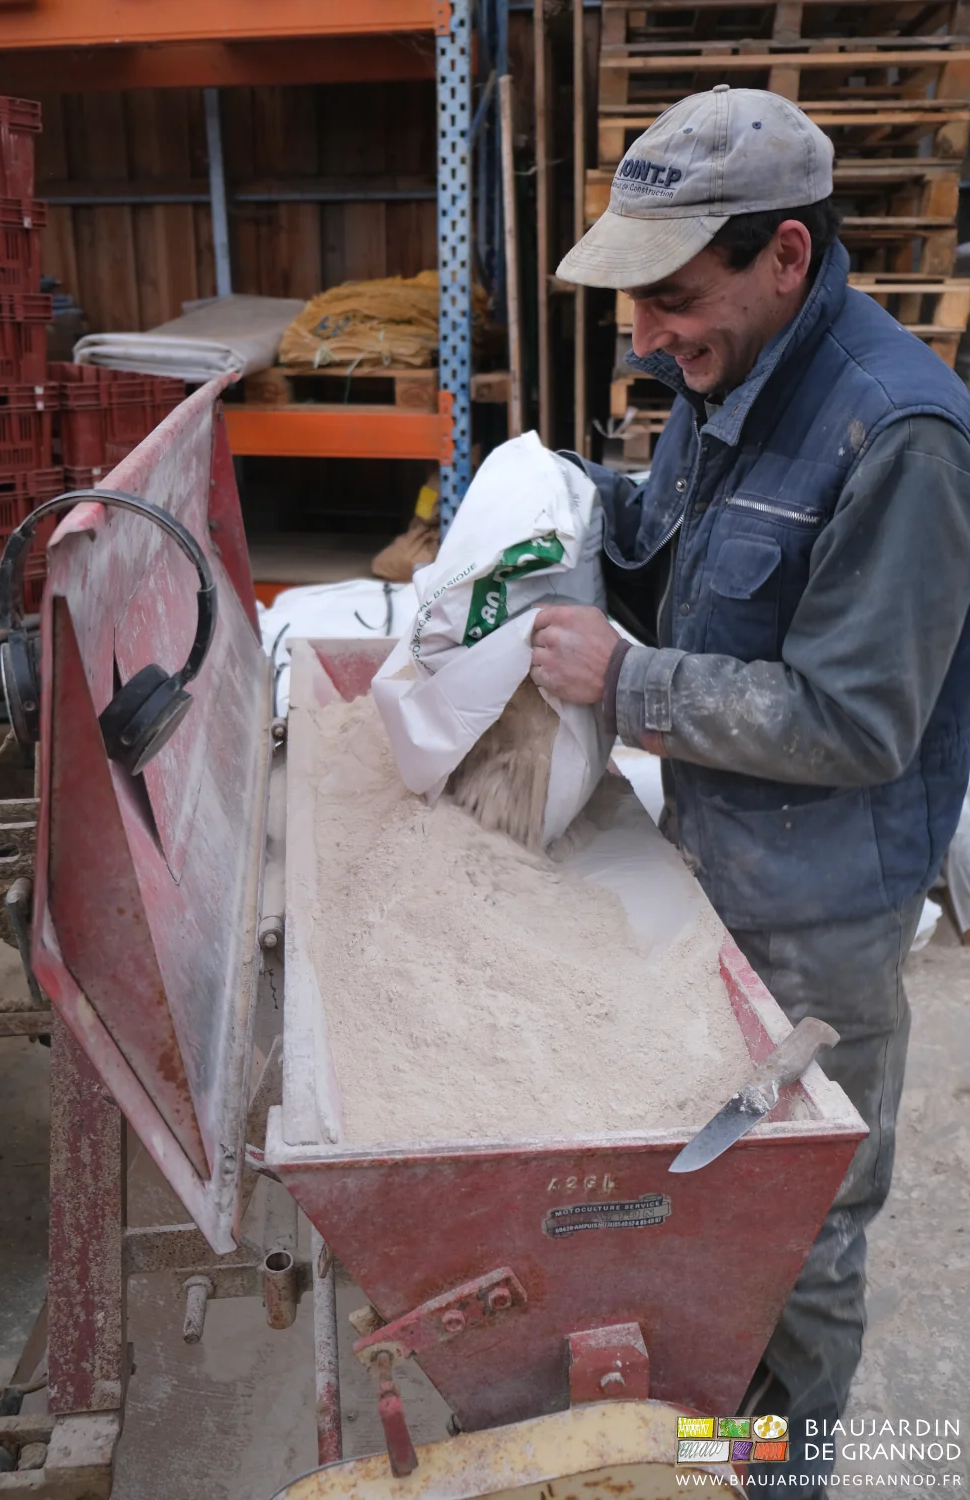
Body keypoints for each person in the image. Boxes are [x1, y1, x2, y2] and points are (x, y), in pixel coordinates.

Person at [529, 85, 970, 1489]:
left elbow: (854, 721)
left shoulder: (899, 438)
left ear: (786, 255)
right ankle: (701, 1447)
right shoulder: (725, 378)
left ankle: (787, 1473)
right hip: (716, 872)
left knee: (803, 1236)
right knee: (697, 1213)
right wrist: (560, 503)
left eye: (671, 294)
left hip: (822, 924)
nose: (645, 333)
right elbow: (681, 549)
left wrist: (630, 683)